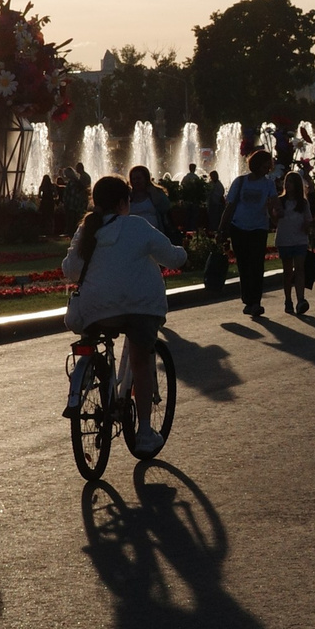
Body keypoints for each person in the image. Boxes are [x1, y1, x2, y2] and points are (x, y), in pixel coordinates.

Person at [63, 173, 187, 458]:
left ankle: (89, 380)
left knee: (96, 340)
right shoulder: (137, 226)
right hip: (140, 307)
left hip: (96, 310)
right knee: (141, 362)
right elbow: (171, 256)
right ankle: (144, 432)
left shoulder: (87, 229)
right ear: (123, 202)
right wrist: (184, 255)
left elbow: (70, 269)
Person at [220, 149, 281, 319]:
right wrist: (221, 228)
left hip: (259, 228)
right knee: (244, 265)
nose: (267, 168)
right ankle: (248, 300)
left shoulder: (268, 183)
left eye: (269, 165)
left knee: (257, 265)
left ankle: (255, 302)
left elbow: (275, 202)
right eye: (265, 164)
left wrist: (282, 213)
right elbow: (230, 206)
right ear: (256, 164)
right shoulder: (240, 182)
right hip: (239, 228)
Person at [273, 171, 315, 316]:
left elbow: (308, 219)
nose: (287, 184)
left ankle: (301, 300)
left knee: (299, 269)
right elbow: (274, 221)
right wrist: (273, 212)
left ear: (297, 185)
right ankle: (288, 300)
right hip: (285, 240)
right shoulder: (280, 201)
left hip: (299, 240)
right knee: (287, 272)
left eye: (291, 182)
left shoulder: (302, 203)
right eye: (287, 181)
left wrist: (306, 226)